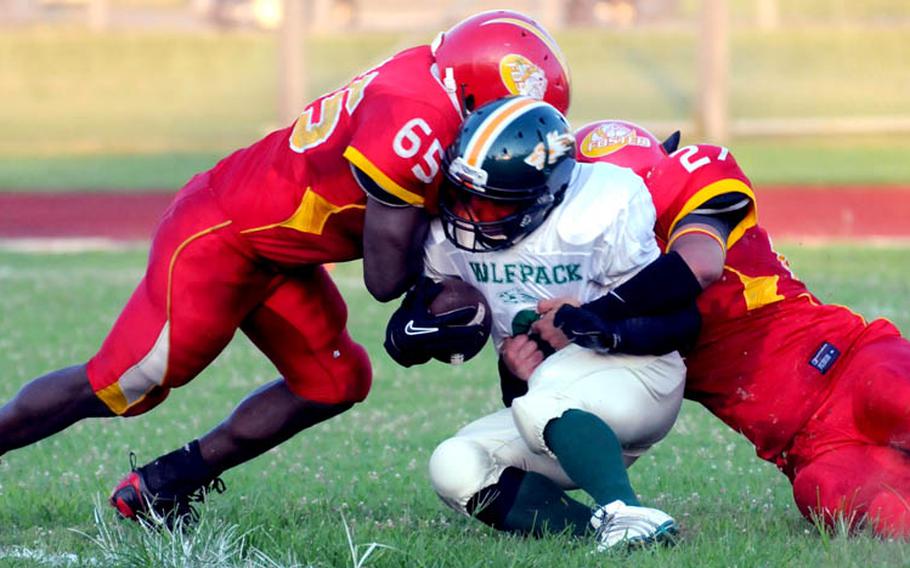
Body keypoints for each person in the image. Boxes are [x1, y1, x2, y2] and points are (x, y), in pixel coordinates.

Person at [0, 10, 571, 526]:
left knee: (334, 381)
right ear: (476, 94)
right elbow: (383, 276)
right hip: (223, 237)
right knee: (123, 382)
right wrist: (437, 292)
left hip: (282, 251)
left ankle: (163, 486)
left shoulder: (438, 79)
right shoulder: (417, 119)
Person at [531, 119, 910, 538]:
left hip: (848, 367)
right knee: (853, 501)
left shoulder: (687, 196)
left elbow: (699, 266)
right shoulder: (592, 281)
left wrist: (597, 313)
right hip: (807, 448)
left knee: (895, 396)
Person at [384, 97, 702, 549]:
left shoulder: (601, 205)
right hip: (557, 408)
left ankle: (626, 513)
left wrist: (596, 324)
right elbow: (519, 394)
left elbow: (683, 323)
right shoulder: (449, 240)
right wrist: (507, 369)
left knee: (544, 395)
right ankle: (594, 530)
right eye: (466, 196)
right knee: (454, 463)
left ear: (546, 195)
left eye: (492, 205)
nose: (472, 215)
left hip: (641, 379)